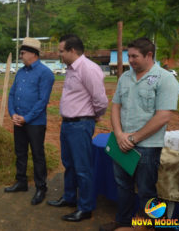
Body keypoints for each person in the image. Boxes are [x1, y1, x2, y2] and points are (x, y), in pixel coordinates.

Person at [100, 38, 179, 231]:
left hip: (148, 147)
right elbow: (116, 106)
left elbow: (163, 116)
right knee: (123, 186)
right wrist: (119, 135)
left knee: (146, 190)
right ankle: (123, 222)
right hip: (122, 143)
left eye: (135, 56)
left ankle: (147, 226)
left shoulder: (165, 79)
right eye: (129, 56)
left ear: (149, 55)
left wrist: (134, 138)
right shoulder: (126, 77)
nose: (131, 60)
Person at [48, 34, 108, 222]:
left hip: (81, 124)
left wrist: (94, 116)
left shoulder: (88, 69)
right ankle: (69, 197)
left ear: (72, 51)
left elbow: (100, 100)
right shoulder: (72, 69)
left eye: (61, 51)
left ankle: (86, 207)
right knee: (69, 164)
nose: (59, 54)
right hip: (68, 124)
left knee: (82, 167)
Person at [5, 37, 55, 205]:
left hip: (35, 122)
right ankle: (21, 182)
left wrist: (27, 118)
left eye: (23, 52)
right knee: (20, 152)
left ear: (33, 54)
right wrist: (12, 113)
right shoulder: (20, 72)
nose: (21, 55)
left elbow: (42, 101)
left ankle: (41, 187)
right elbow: (12, 94)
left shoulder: (45, 73)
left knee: (37, 154)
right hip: (18, 120)